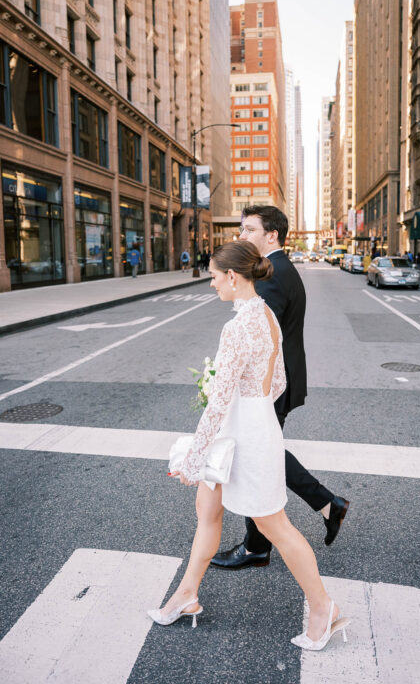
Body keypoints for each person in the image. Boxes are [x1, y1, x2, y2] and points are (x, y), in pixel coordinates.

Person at [151, 240, 350, 650]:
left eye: (213, 277)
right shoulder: (267, 317)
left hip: (243, 433)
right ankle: (187, 594)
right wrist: (253, 404)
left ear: (232, 276)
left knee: (272, 524)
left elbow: (221, 402)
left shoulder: (237, 326)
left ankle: (323, 607)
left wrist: (194, 457)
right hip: (255, 424)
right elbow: (277, 382)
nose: (211, 285)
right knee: (207, 510)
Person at [210, 205, 350, 573]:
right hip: (277, 381)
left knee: (257, 456)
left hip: (268, 386)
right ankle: (321, 506)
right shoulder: (281, 268)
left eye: (248, 229)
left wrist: (229, 385)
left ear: (271, 235)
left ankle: (261, 544)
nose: (241, 235)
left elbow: (258, 342)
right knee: (263, 453)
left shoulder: (272, 276)